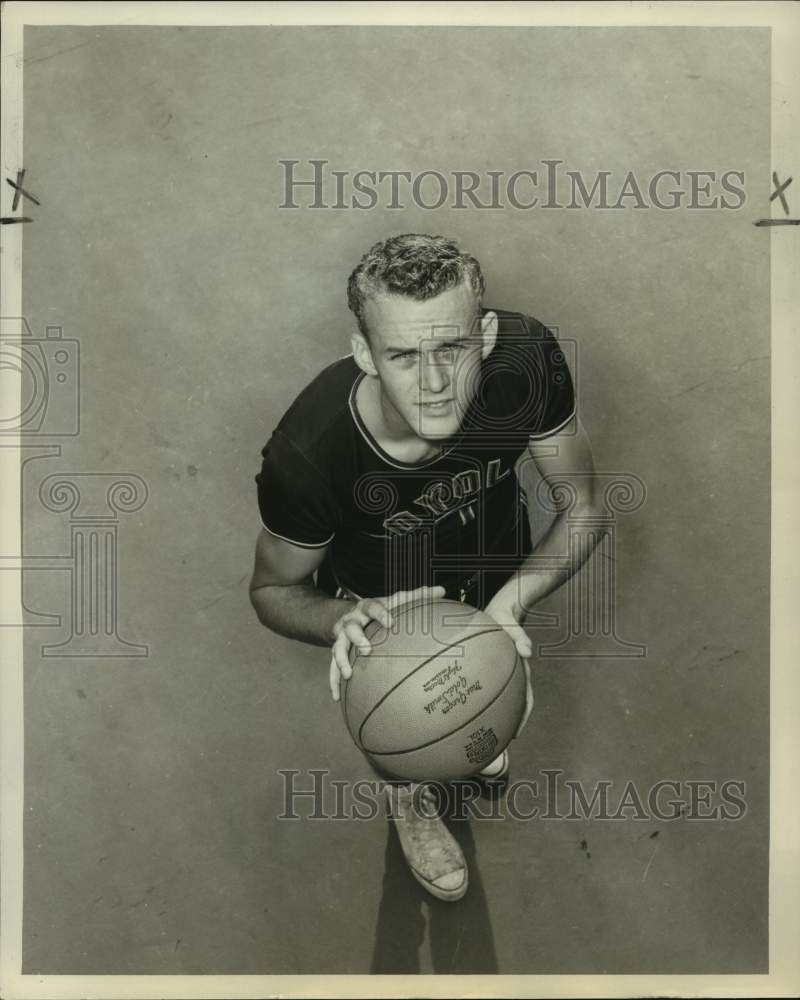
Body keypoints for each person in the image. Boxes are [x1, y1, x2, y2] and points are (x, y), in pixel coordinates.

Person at [249, 233, 603, 902]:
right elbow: (271, 589)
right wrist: (339, 619)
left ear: (488, 335)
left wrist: (511, 603)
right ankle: (409, 801)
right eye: (404, 357)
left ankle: (472, 723)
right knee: (406, 725)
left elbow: (582, 505)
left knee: (478, 701)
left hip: (494, 566)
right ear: (364, 355)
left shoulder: (525, 361)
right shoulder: (309, 459)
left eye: (452, 349)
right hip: (387, 610)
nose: (435, 384)